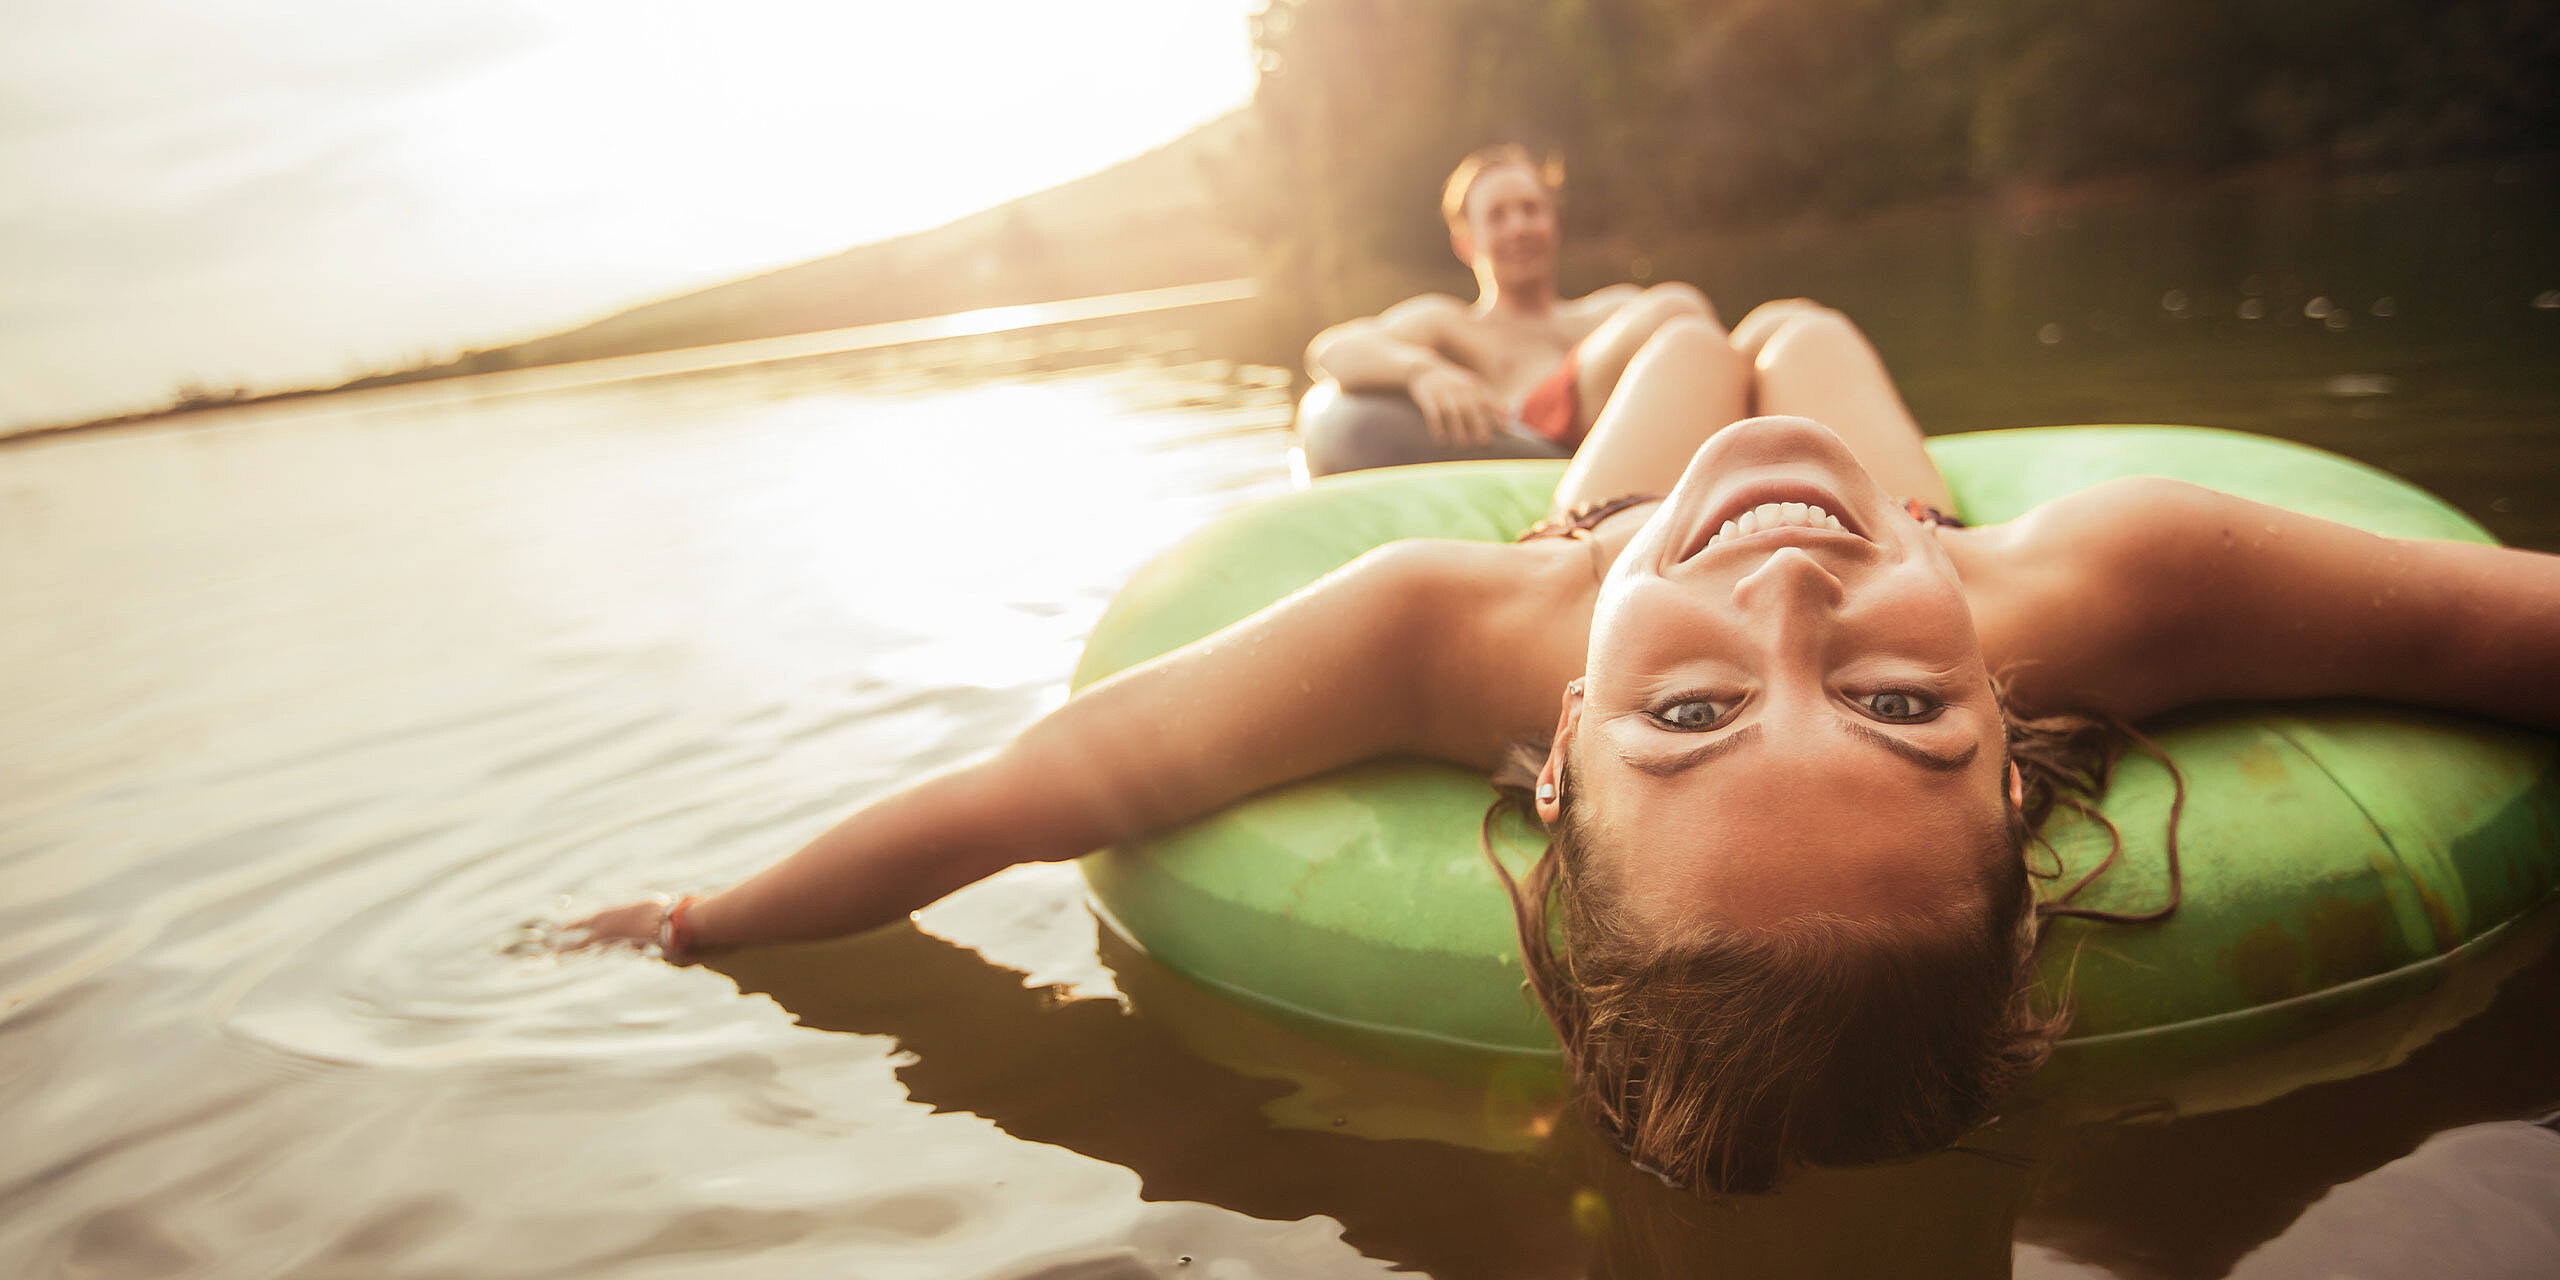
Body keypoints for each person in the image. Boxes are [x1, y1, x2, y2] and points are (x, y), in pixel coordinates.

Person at [565, 301, 2560, 1193]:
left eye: (1691, 720)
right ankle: (1624, 331)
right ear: (2014, 751)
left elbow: (1012, 799)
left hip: (1610, 536)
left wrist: (697, 917)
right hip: (1915, 519)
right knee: (1773, 321)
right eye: (1898, 710)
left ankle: (1621, 354)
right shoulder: (2110, 585)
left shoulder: (1443, 632)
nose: (1789, 615)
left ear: (1554, 761)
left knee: (1703, 338)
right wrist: (1880, 577)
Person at [1301, 143, 1721, 453]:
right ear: (1466, 243)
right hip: (1543, 437)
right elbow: (1331, 349)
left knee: (1775, 327)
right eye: (1498, 216)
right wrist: (1422, 371)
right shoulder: (1451, 323)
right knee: (1677, 308)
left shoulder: (1611, 310)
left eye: (1531, 209)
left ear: (1553, 223)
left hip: (1645, 430)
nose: (1519, 226)